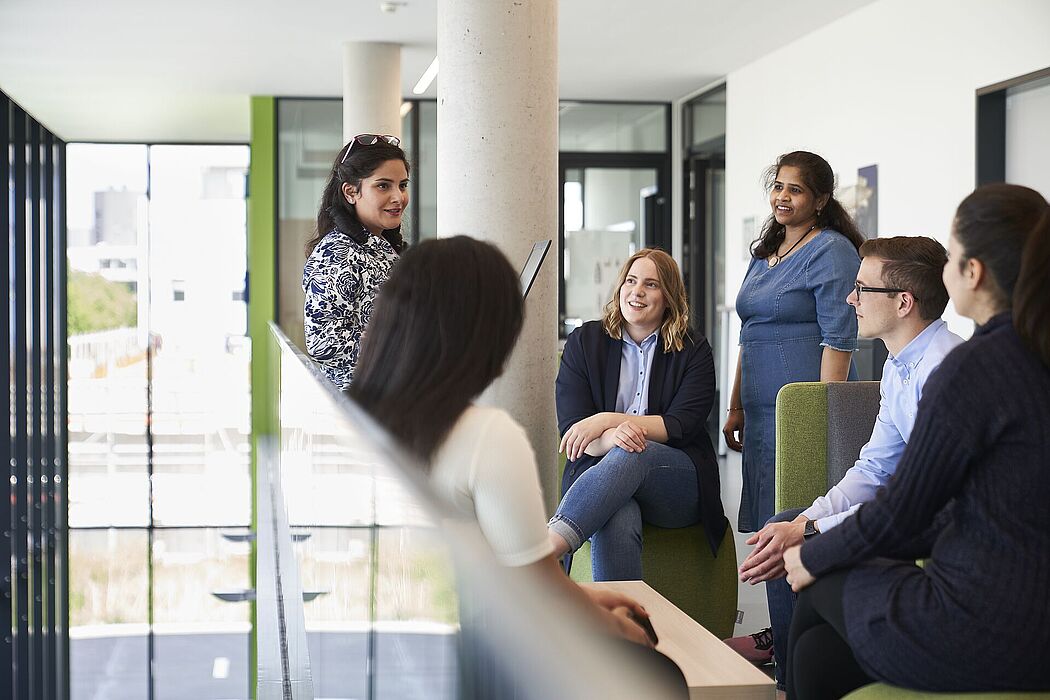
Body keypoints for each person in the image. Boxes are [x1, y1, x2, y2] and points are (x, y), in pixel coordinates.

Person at [782, 183, 1050, 699]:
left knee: (816, 584)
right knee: (819, 658)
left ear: (975, 272)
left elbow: (905, 510)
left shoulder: (973, 368)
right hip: (1029, 613)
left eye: (954, 255)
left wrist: (812, 549)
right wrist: (814, 528)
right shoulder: (1029, 353)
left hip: (988, 626)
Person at [347, 235, 662, 651]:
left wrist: (584, 595)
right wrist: (628, 637)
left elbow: (518, 577)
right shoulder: (487, 437)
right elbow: (530, 584)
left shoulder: (352, 421)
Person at [725, 236, 964, 690]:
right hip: (906, 514)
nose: (849, 298)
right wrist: (809, 517)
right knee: (788, 532)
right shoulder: (899, 366)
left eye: (861, 288)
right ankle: (789, 667)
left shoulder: (945, 369)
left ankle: (788, 670)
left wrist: (811, 532)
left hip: (934, 530)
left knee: (800, 549)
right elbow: (873, 469)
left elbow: (918, 499)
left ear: (903, 302)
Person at [547, 249, 726, 581]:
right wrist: (614, 437)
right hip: (602, 472)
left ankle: (550, 546)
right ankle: (624, 629)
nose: (637, 292)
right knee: (618, 514)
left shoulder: (694, 350)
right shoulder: (585, 342)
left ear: (669, 297)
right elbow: (573, 431)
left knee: (633, 453)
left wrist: (607, 421)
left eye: (651, 284)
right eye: (630, 281)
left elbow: (681, 424)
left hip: (677, 481)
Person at [724, 150, 866, 539]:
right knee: (770, 528)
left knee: (797, 524)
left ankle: (801, 603)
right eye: (778, 186)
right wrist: (736, 406)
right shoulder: (765, 253)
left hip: (802, 410)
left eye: (796, 190)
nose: (782, 197)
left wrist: (819, 416)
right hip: (760, 411)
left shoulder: (831, 250)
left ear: (820, 201)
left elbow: (839, 338)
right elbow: (748, 333)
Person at [302, 134, 410, 389]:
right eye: (383, 185)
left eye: (403, 185)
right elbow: (323, 341)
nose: (399, 197)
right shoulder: (337, 253)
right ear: (351, 192)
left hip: (393, 401)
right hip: (361, 409)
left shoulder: (380, 246)